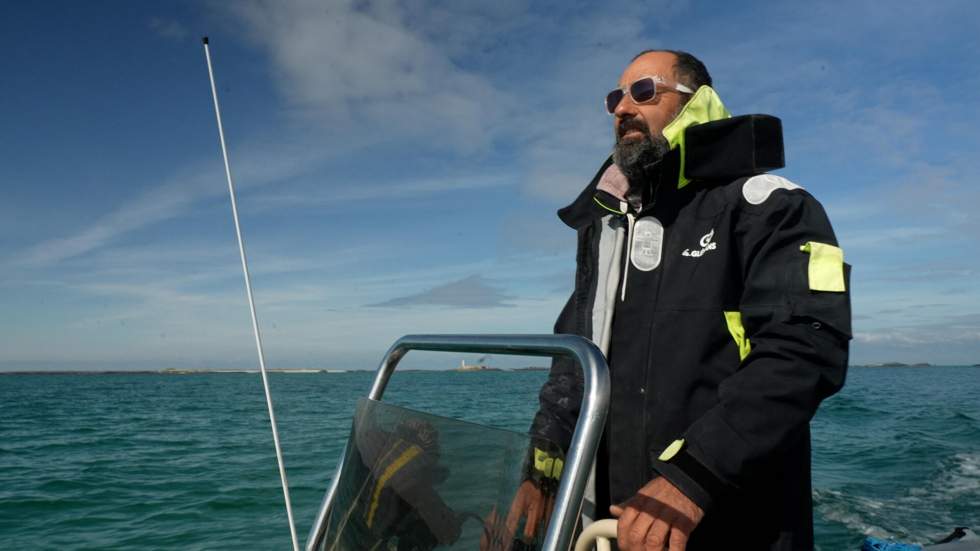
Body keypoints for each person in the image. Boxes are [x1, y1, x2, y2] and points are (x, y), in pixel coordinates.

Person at [505, 50, 852, 550]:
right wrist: (541, 472)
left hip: (727, 516)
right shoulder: (606, 230)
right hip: (615, 523)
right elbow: (573, 366)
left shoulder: (769, 204)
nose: (623, 107)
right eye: (614, 98)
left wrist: (690, 478)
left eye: (643, 91)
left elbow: (803, 350)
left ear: (698, 102)